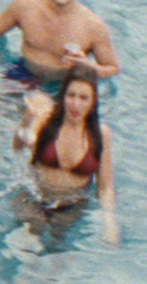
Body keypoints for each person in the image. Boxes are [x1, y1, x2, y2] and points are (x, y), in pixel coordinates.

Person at [12, 74, 116, 243]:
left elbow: (105, 187)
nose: (76, 104)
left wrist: (109, 222)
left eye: (83, 98)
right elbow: (20, 146)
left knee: (57, 248)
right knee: (30, 238)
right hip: (33, 198)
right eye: (71, 95)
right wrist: (27, 121)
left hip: (72, 206)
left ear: (93, 102)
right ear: (62, 96)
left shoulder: (100, 133)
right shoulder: (46, 120)